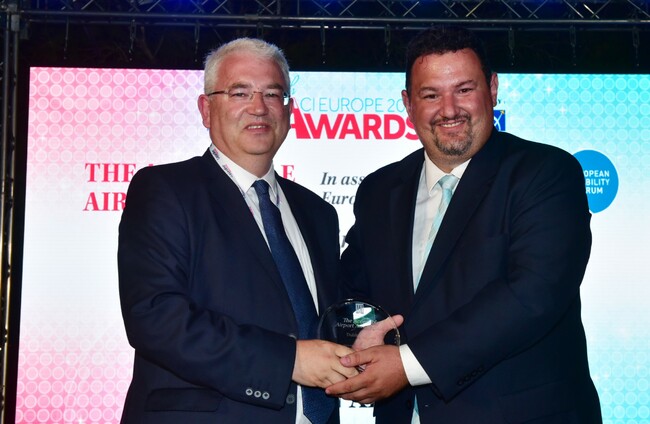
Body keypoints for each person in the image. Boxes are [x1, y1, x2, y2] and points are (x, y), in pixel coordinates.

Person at [326, 26, 603, 423]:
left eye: (464, 89)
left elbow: (532, 296)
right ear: (408, 104)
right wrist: (349, 344)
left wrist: (406, 365)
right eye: (430, 95)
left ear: (493, 89)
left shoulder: (545, 173)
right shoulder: (379, 190)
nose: (449, 109)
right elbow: (353, 294)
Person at [117, 37, 358, 424]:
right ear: (206, 109)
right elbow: (156, 318)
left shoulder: (319, 213)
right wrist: (289, 361)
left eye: (272, 94)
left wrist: (358, 341)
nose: (258, 107)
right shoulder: (165, 190)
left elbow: (316, 322)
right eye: (239, 92)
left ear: (289, 110)